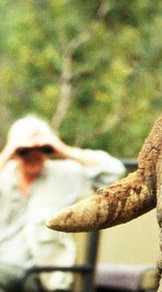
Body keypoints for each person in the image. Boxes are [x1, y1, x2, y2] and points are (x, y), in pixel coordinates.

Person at [0, 115, 126, 292]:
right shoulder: (4, 176)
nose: (33, 156)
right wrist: (7, 152)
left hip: (44, 275)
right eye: (25, 151)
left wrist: (62, 148)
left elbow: (114, 171)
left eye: (41, 149)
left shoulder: (64, 174)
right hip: (5, 266)